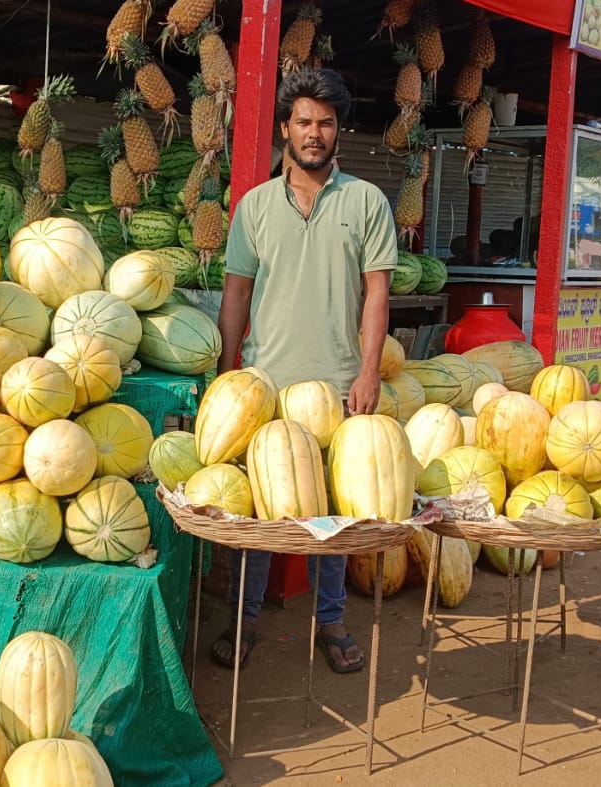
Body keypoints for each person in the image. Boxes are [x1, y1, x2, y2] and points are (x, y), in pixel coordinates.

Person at [209, 69, 398, 674]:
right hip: (265, 384)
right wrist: (226, 370)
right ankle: (243, 617)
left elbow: (376, 295)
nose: (314, 134)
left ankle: (332, 620)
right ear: (285, 129)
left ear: (338, 130)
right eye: (303, 121)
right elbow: (235, 295)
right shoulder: (255, 207)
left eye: (325, 123)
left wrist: (368, 371)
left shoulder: (366, 201)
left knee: (333, 513)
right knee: (263, 509)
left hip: (340, 383)